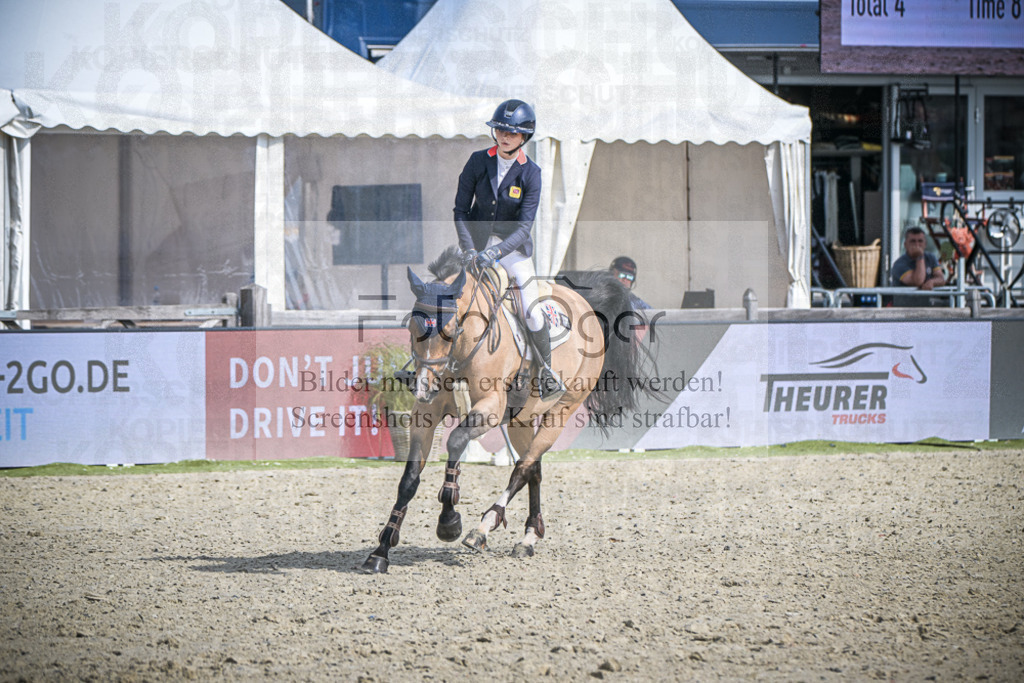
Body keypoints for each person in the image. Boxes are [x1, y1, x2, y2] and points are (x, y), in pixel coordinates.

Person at [453, 99, 564, 399]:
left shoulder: (532, 174)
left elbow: (523, 228)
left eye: (512, 133)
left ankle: (546, 372)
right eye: (501, 130)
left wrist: (496, 253)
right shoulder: (478, 161)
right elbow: (461, 210)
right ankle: (434, 366)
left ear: (524, 137)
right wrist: (468, 249)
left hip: (512, 251)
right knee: (450, 300)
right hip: (475, 247)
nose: (504, 136)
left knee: (531, 310)